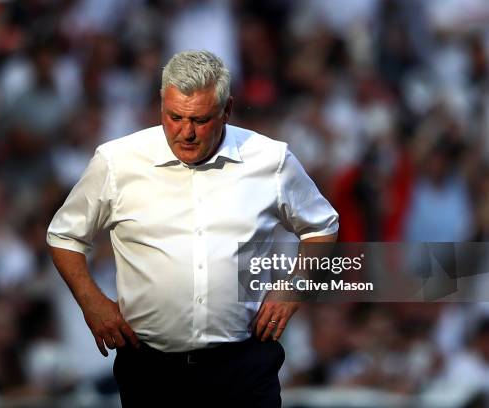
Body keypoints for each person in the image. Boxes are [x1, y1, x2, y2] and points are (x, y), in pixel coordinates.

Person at [47, 50, 338, 407]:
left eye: (199, 120)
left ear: (227, 110)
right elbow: (64, 234)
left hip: (243, 366)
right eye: (174, 117)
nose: (185, 132)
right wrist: (91, 300)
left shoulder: (271, 160)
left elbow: (322, 226)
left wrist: (295, 289)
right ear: (161, 105)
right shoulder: (116, 162)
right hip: (150, 370)